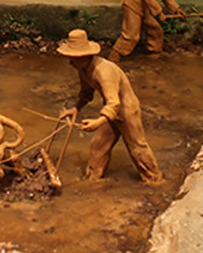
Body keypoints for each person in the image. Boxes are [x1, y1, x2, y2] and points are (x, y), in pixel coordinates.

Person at [58, 29, 164, 184]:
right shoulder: (83, 69)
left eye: (73, 59)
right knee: (98, 145)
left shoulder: (103, 71)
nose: (70, 63)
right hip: (111, 110)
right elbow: (86, 93)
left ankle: (155, 180)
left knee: (137, 147)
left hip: (126, 109)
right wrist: (76, 108)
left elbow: (114, 102)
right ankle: (93, 181)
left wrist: (98, 122)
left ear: (83, 56)